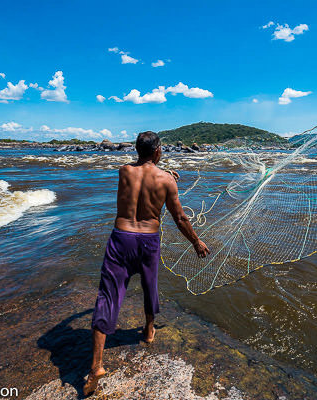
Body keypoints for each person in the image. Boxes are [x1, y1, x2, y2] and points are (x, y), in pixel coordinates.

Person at [84, 131, 210, 395]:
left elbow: (140, 174)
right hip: (148, 240)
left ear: (137, 150)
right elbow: (181, 219)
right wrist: (196, 243)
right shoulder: (166, 180)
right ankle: (149, 331)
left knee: (107, 296)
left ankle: (96, 365)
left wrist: (164, 173)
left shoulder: (123, 171)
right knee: (150, 285)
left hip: (121, 238)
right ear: (157, 151)